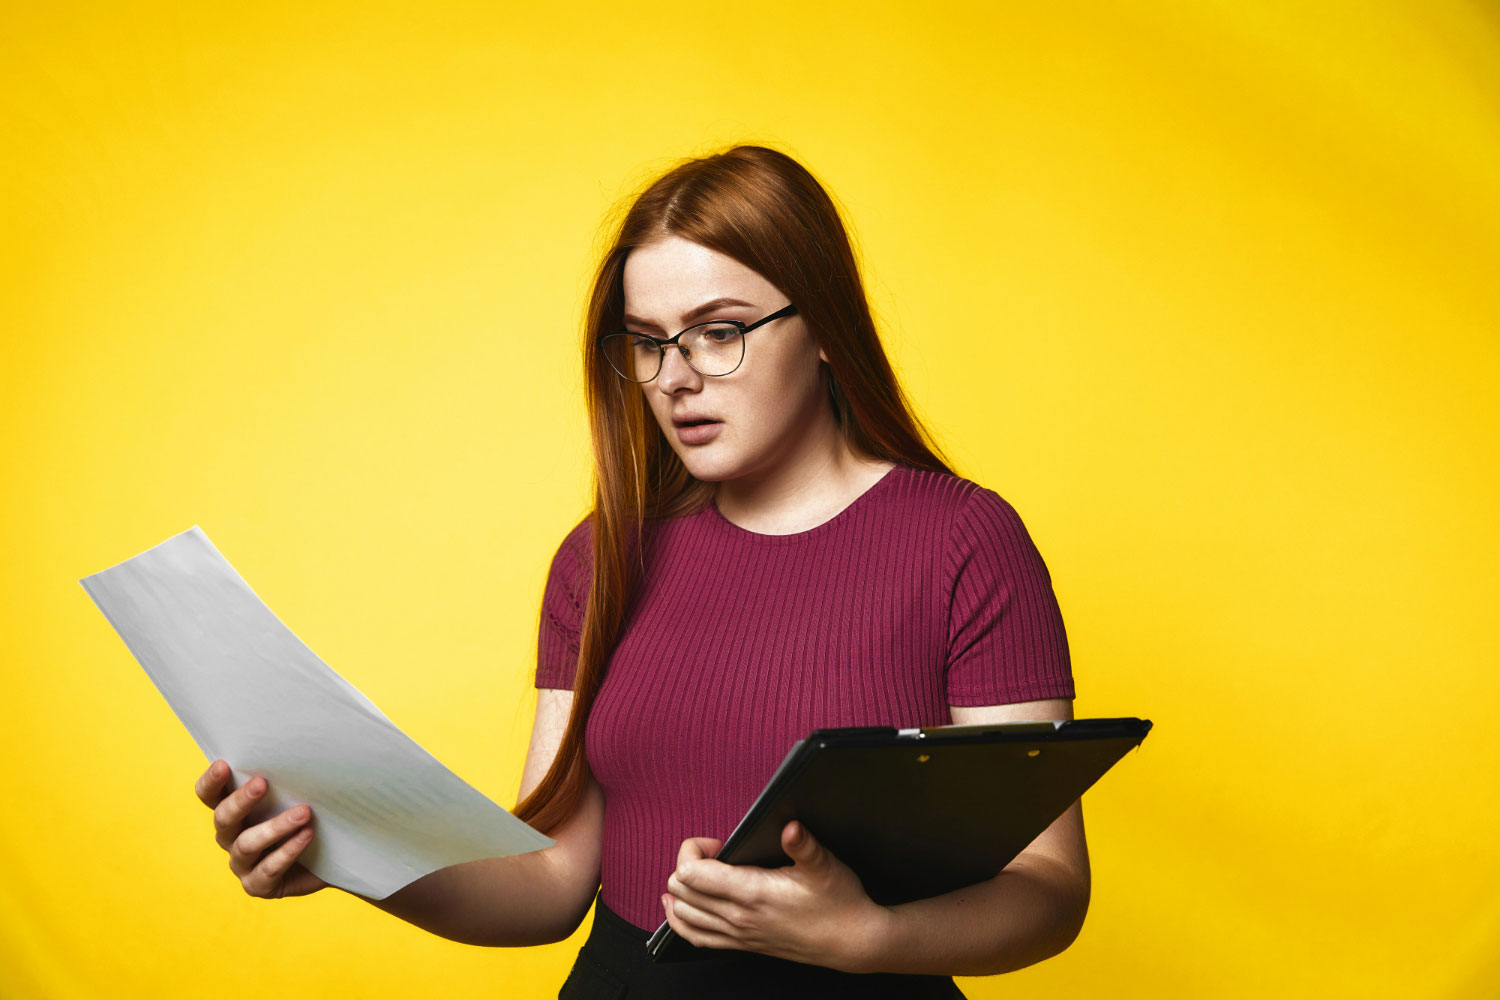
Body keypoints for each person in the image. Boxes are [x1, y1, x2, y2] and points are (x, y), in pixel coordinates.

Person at [193, 144, 1089, 998]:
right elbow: (549, 882)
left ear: (823, 326)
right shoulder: (599, 559)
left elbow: (1046, 883)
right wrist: (351, 854)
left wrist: (867, 938)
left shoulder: (963, 541)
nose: (674, 379)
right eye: (648, 343)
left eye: (719, 332)